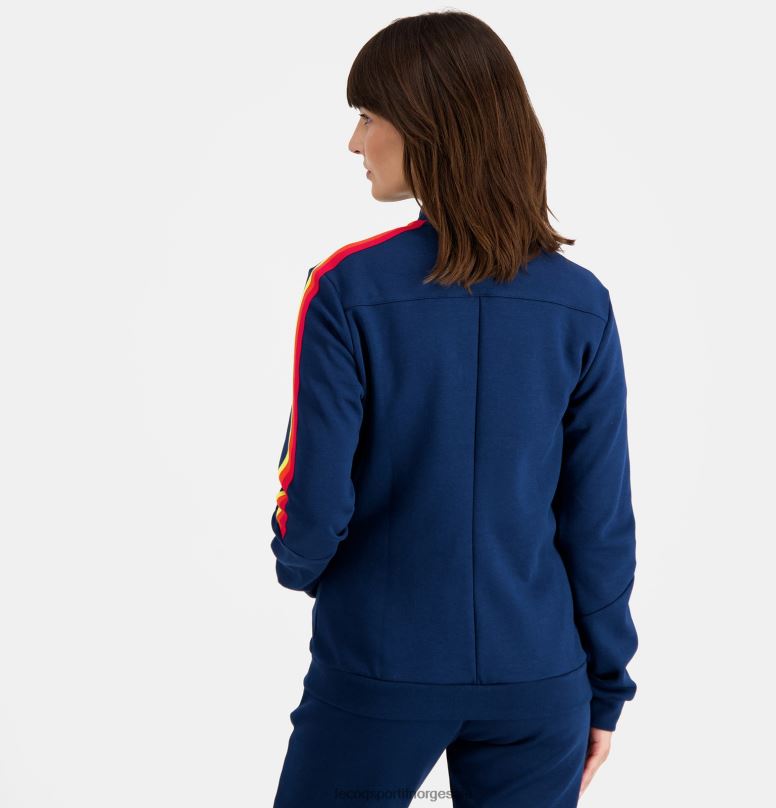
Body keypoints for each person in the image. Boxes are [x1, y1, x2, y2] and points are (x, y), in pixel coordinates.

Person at [270, 10, 638, 807]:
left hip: (380, 663)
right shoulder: (581, 304)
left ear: (427, 126)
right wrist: (604, 685)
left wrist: (300, 565)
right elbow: (600, 523)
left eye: (368, 116)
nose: (355, 142)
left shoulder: (345, 289)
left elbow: (314, 507)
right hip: (539, 676)